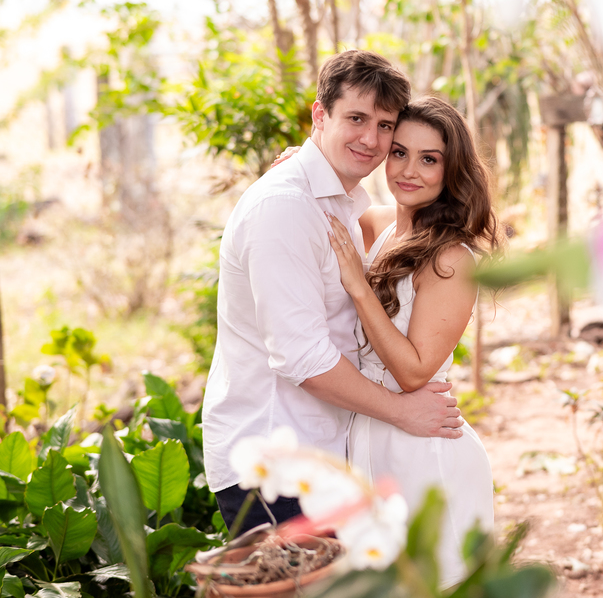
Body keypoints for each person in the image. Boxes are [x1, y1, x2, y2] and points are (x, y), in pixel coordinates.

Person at [201, 50, 464, 532]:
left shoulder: (340, 204)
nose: (372, 139)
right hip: (275, 462)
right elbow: (302, 357)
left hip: (325, 454)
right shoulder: (286, 207)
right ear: (320, 115)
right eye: (356, 119)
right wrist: (403, 413)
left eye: (385, 126)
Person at [325, 94, 498, 588]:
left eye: (429, 159)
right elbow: (316, 208)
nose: (408, 170)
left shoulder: (451, 258)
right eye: (399, 152)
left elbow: (415, 370)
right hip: (369, 433)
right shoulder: (377, 223)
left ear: (452, 170)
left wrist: (360, 287)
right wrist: (301, 162)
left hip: (424, 447)